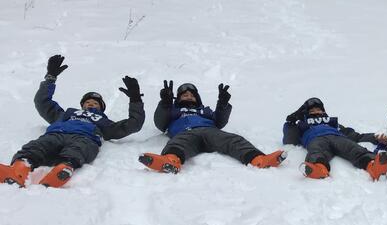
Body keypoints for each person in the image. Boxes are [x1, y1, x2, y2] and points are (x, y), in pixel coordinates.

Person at [0, 55, 144, 188]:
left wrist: (135, 99)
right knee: (37, 146)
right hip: (56, 133)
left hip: (85, 138)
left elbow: (134, 124)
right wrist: (50, 78)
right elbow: (42, 102)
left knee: (78, 150)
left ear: (101, 108)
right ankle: (18, 169)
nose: (91, 104)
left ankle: (63, 170)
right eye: (88, 102)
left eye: (95, 103)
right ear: (82, 105)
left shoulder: (104, 122)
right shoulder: (66, 114)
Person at [139, 81, 285, 173]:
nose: (188, 96)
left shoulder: (205, 111)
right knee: (178, 143)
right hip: (186, 133)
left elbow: (219, 121)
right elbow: (160, 122)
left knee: (233, 140)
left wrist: (222, 104)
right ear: (178, 98)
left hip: (210, 131)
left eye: (191, 95)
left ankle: (258, 159)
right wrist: (165, 103)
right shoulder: (172, 110)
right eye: (184, 95)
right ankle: (170, 161)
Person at [282, 97, 387, 180]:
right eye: (312, 110)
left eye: (318, 109)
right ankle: (318, 168)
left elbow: (354, 136)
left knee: (353, 148)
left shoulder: (333, 124)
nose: (316, 112)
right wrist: (291, 122)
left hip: (337, 137)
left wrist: (374, 138)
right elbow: (290, 139)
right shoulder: (302, 125)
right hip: (316, 139)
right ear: (306, 114)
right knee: (316, 151)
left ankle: (373, 165)